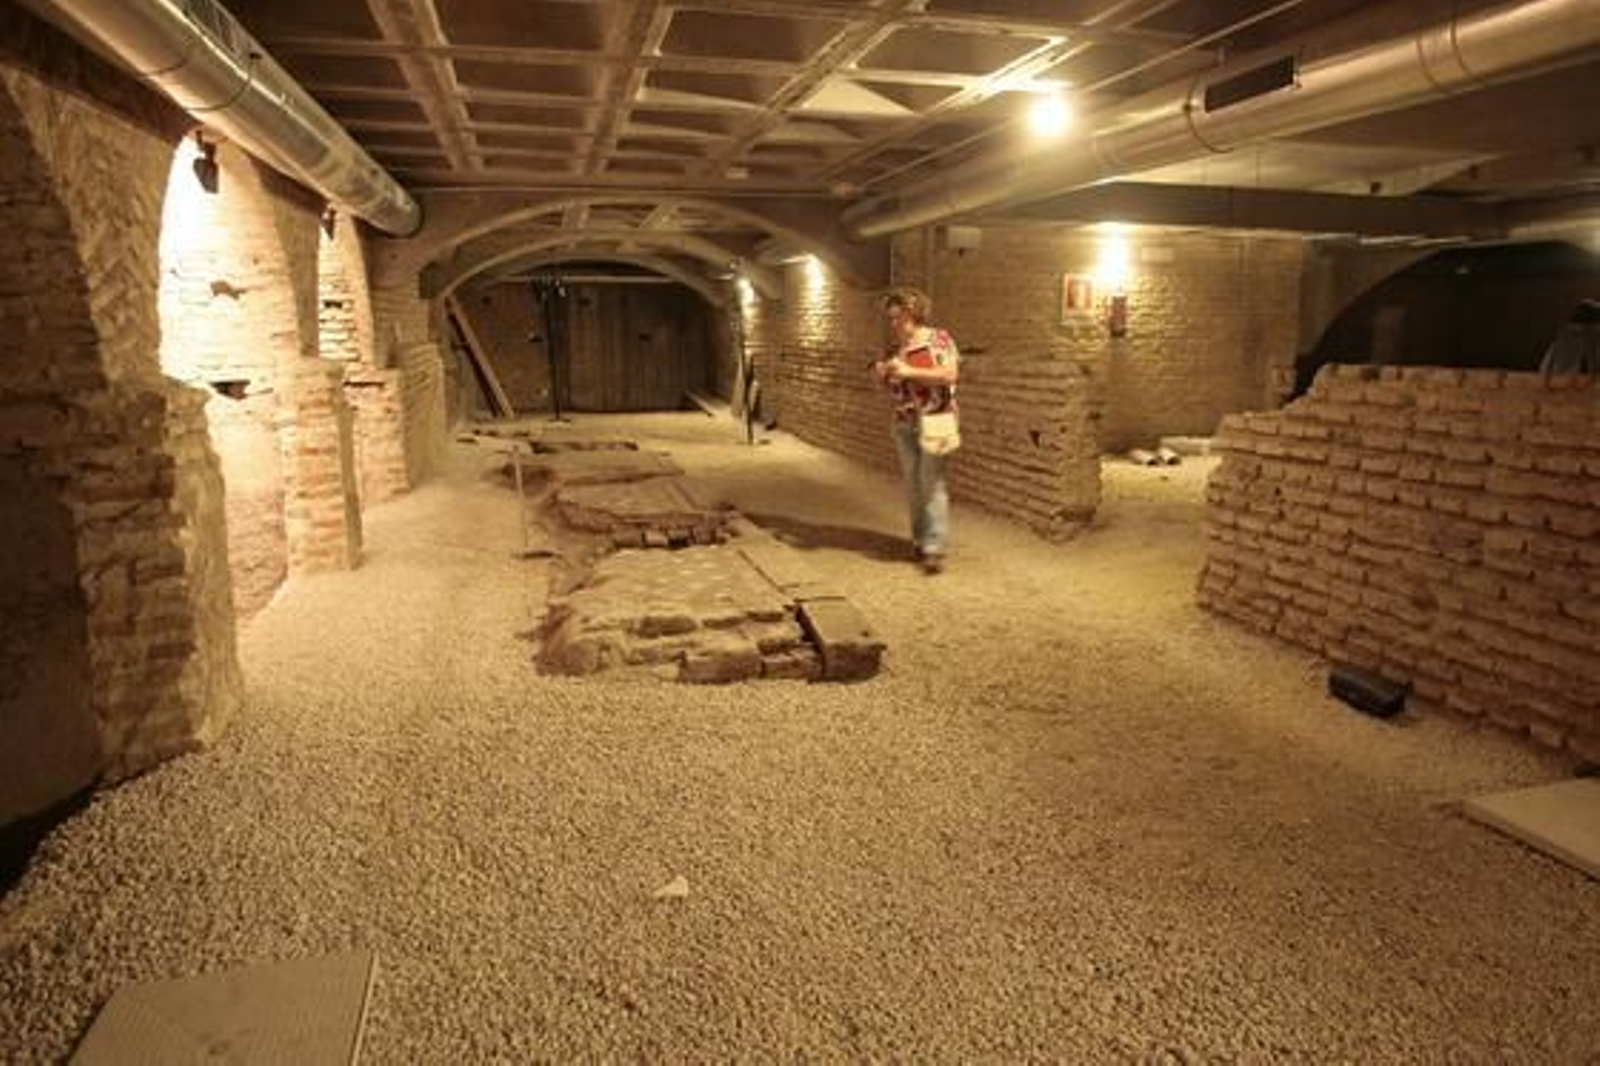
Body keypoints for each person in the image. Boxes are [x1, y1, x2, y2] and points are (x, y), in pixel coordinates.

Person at [871, 287, 960, 574]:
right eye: (891, 316)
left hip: (935, 418)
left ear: (913, 311)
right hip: (904, 422)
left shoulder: (938, 339)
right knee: (913, 485)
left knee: (931, 482)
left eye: (898, 315)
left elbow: (949, 374)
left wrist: (909, 372)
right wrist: (883, 374)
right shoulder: (894, 347)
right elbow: (890, 386)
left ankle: (934, 548)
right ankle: (919, 540)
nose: (894, 322)